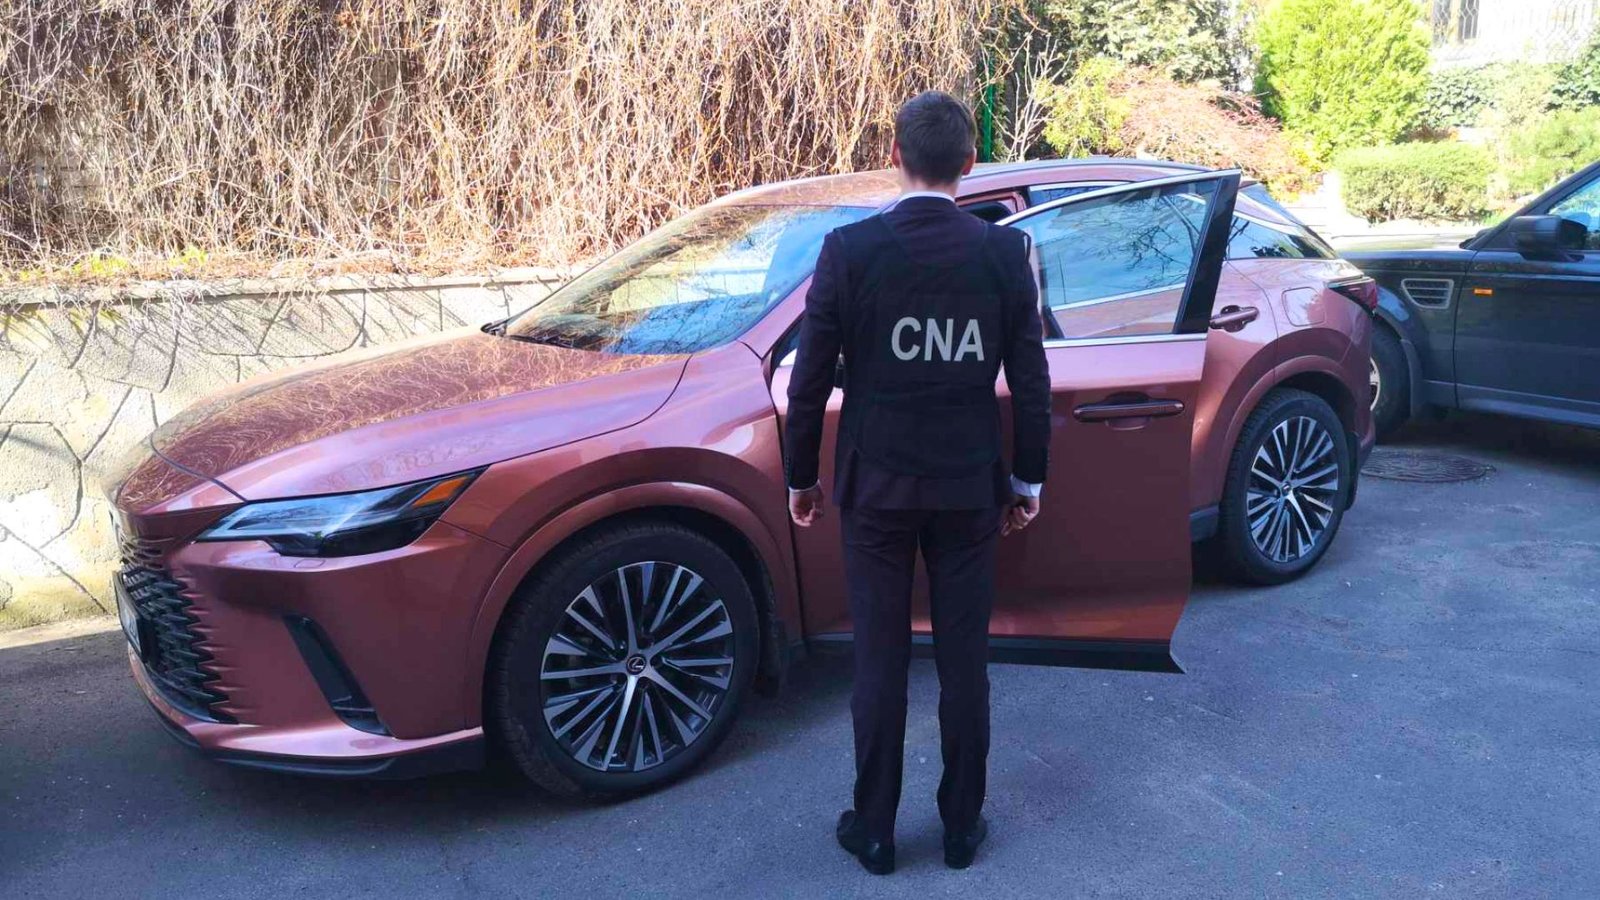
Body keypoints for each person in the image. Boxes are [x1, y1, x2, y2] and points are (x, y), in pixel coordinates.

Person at [783, 90, 1052, 875]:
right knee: (965, 662)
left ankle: (874, 831)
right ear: (970, 162)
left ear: (895, 157)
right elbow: (1030, 380)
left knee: (880, 661)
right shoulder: (1004, 253)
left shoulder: (850, 250)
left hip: (876, 489)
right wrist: (1029, 480)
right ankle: (962, 827)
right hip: (969, 489)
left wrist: (801, 476)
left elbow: (808, 382)